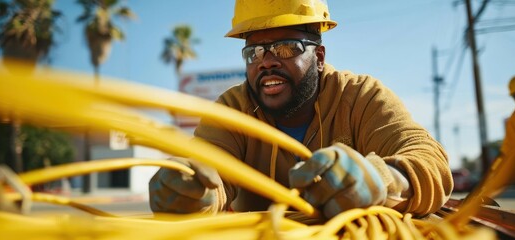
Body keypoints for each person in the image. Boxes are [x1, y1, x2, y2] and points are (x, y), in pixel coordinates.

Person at [149, 0, 453, 219]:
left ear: (319, 57)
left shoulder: (359, 96)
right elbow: (211, 168)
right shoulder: (233, 109)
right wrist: (192, 191)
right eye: (254, 52)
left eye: (286, 48)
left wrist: (380, 179)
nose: (266, 61)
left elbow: (427, 157)